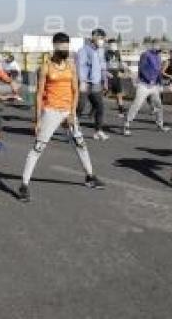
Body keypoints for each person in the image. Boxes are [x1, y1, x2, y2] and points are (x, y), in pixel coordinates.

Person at [18, 32, 105, 202]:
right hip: (50, 111)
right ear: (55, 46)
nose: (66, 49)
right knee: (38, 148)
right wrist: (37, 119)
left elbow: (75, 91)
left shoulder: (71, 65)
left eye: (67, 45)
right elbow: (39, 94)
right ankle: (24, 184)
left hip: (68, 112)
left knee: (80, 144)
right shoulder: (46, 67)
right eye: (62, 46)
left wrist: (72, 114)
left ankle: (90, 176)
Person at [123, 40, 170, 135]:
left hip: (155, 86)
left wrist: (160, 82)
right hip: (144, 84)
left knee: (158, 106)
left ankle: (160, 125)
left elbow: (158, 71)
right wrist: (149, 79)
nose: (161, 48)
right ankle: (126, 125)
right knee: (137, 104)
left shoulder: (158, 56)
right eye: (160, 46)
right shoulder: (145, 54)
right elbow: (142, 68)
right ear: (154, 45)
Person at [76, 28, 109, 140]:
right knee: (80, 107)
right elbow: (80, 67)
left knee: (99, 107)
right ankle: (73, 129)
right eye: (100, 38)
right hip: (85, 83)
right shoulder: (83, 50)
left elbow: (103, 66)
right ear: (94, 37)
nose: (102, 41)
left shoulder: (101, 51)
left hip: (96, 83)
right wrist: (82, 82)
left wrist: (105, 81)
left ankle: (98, 131)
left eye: (103, 39)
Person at [104, 39, 127, 116]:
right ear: (109, 45)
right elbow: (102, 64)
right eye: (112, 45)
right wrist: (105, 72)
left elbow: (120, 62)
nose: (113, 46)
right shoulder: (105, 53)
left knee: (119, 94)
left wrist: (122, 71)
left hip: (117, 74)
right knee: (105, 92)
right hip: (109, 74)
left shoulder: (117, 53)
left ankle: (121, 111)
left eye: (115, 44)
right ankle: (94, 109)